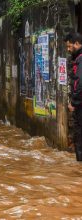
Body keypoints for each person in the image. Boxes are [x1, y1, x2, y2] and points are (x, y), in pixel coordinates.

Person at [64, 32, 82, 161]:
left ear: (77, 43)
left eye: (70, 47)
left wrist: (74, 103)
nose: (68, 50)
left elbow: (79, 82)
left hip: (80, 106)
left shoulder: (80, 59)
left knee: (80, 137)